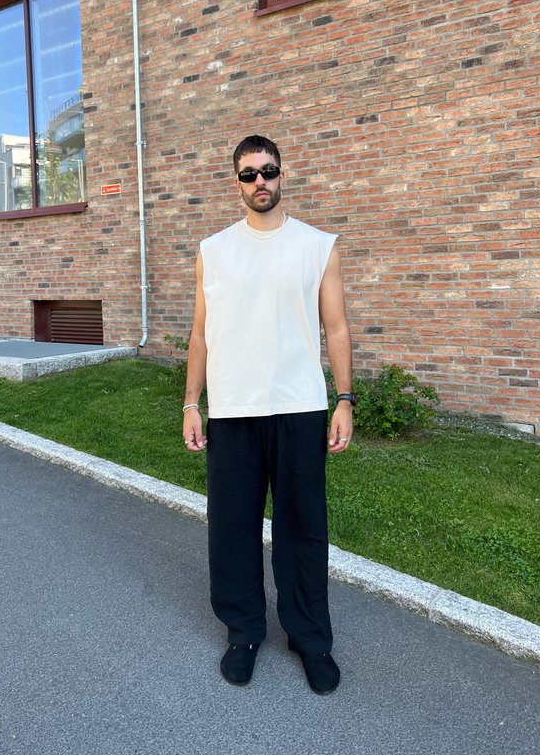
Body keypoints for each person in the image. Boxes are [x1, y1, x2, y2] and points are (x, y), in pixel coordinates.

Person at [182, 135, 354, 695]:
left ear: (283, 176)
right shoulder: (214, 250)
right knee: (232, 528)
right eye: (248, 174)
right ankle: (243, 631)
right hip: (233, 409)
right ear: (235, 182)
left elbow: (338, 329)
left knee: (303, 528)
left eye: (268, 171)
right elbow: (201, 334)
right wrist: (192, 403)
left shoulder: (317, 246)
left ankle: (309, 638)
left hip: (300, 407)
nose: (260, 182)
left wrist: (345, 398)